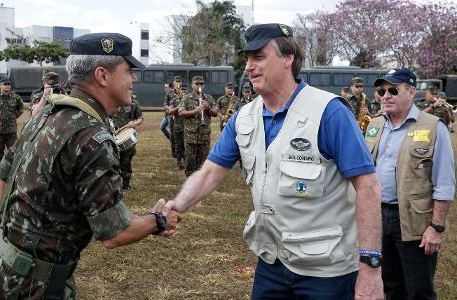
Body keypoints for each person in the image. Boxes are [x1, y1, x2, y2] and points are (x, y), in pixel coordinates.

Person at [162, 23, 384, 299]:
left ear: (288, 58)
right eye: (248, 59)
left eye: (259, 57)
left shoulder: (329, 112)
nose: (249, 67)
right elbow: (209, 173)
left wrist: (371, 267)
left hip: (327, 271)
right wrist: (177, 205)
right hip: (272, 263)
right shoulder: (244, 118)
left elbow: (368, 187)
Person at [0, 32, 178, 299]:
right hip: (36, 286)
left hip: (4, 265)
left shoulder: (47, 112)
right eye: (128, 70)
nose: (134, 79)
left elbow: (5, 175)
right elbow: (115, 233)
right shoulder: (90, 136)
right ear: (102, 76)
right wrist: (158, 220)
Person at [366, 68, 455, 300]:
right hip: (377, 217)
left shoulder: (434, 127)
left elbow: (444, 183)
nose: (386, 95)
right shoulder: (374, 126)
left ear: (411, 91)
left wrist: (436, 228)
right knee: (390, 287)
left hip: (414, 221)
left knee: (419, 290)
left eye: (393, 90)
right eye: (382, 90)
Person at [178, 75, 217, 177]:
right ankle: (189, 181)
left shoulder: (209, 98)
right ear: (192, 85)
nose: (199, 85)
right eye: (197, 84)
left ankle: (200, 181)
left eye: (201, 84)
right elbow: (181, 112)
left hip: (204, 135)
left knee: (203, 161)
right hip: (190, 135)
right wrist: (195, 110)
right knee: (190, 160)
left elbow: (215, 113)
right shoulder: (186, 98)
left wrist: (208, 108)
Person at [0, 78, 24, 176]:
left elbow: (21, 109)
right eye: (5, 84)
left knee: (13, 151)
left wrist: (13, 118)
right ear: (0, 85)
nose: (7, 86)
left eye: (9, 84)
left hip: (11, 130)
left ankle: (13, 171)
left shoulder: (16, 97)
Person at [112, 94, 143, 190]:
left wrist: (134, 123)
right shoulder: (111, 100)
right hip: (113, 136)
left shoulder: (133, 103)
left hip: (127, 137)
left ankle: (126, 185)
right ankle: (113, 185)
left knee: (126, 161)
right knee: (113, 161)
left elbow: (141, 118)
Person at [167, 82, 187, 170]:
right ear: (179, 90)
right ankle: (179, 163)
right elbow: (170, 111)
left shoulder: (190, 99)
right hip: (178, 126)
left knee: (187, 145)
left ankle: (187, 162)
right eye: (182, 89)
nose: (183, 91)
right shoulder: (174, 100)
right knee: (178, 145)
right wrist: (177, 107)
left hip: (188, 127)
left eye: (185, 89)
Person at [165, 76, 182, 160]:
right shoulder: (170, 93)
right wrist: (169, 109)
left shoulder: (184, 92)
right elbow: (165, 104)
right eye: (176, 82)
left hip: (182, 118)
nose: (178, 83)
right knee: (173, 135)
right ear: (174, 83)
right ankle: (174, 152)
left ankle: (182, 153)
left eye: (179, 82)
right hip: (172, 117)